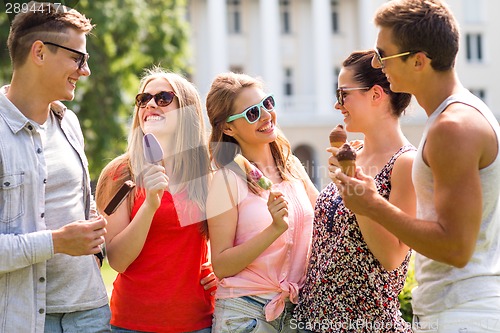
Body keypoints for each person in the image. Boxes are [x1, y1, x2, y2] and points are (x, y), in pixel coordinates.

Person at [336, 1, 500, 332]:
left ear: (418, 61)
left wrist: (371, 205)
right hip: (452, 311)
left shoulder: (452, 127)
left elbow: (455, 247)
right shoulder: (450, 118)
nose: (379, 66)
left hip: (461, 314)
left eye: (384, 55)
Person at [0, 2, 111, 332]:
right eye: (79, 58)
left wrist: (96, 243)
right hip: (27, 320)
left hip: (91, 312)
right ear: (39, 52)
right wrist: (57, 243)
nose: (85, 70)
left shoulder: (69, 121)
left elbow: (81, 203)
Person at [292, 50, 416, 333]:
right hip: (311, 321)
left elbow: (393, 258)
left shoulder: (406, 163)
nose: (338, 106)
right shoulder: (353, 153)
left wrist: (357, 194)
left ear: (375, 95)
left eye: (343, 94)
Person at [95, 68, 215, 333]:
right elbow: (117, 261)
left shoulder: (208, 173)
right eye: (143, 99)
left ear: (186, 111)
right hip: (132, 323)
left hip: (197, 322)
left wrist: (221, 270)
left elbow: (233, 239)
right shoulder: (120, 173)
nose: (149, 104)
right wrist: (150, 205)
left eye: (162, 98)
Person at [205, 72, 318, 332]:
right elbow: (221, 265)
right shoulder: (225, 180)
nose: (267, 115)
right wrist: (274, 229)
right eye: (252, 113)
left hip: (296, 310)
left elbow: (325, 215)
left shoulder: (291, 166)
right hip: (246, 313)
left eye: (267, 103)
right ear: (228, 127)